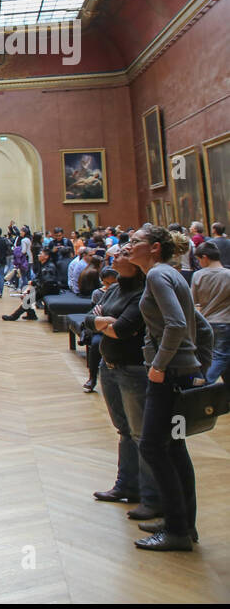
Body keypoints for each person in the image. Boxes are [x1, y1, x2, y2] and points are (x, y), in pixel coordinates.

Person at [126, 225, 200, 550]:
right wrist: (198, 363)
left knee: (153, 447)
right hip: (179, 370)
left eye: (135, 241)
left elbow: (178, 323)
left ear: (155, 247)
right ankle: (182, 523)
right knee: (175, 446)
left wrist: (160, 365)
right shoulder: (169, 273)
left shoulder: (158, 275)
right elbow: (203, 326)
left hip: (167, 375)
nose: (129, 244)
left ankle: (176, 531)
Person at [90, 244, 160, 516]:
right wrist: (104, 322)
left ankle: (150, 496)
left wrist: (105, 322)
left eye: (121, 255)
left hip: (133, 369)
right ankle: (126, 485)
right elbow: (90, 319)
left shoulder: (143, 291)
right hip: (109, 367)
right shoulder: (116, 288)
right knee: (124, 431)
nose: (115, 256)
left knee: (141, 434)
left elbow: (123, 328)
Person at [191, 241, 230, 384]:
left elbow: (194, 301)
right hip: (226, 321)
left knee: (214, 357)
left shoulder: (198, 276)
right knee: (222, 356)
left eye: (199, 259)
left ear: (205, 257)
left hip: (206, 322)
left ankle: (206, 383)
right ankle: (205, 383)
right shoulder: (228, 275)